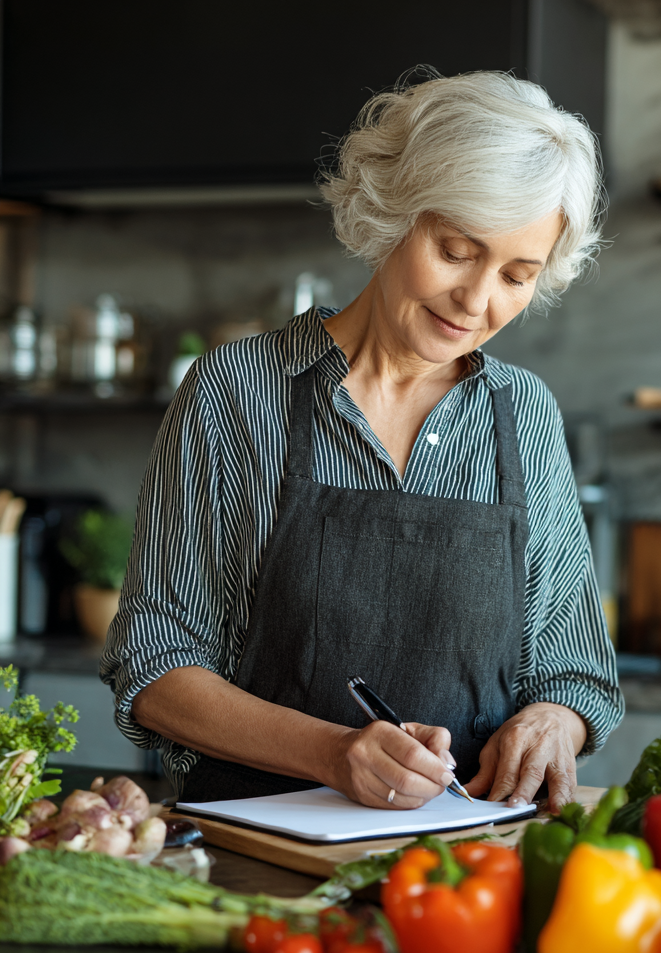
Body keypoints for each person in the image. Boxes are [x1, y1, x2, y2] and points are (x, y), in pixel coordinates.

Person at [101, 70, 623, 812]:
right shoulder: (236, 390)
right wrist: (334, 752)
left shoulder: (524, 413)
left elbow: (573, 674)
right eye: (454, 250)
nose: (477, 302)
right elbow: (152, 666)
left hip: (461, 863)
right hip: (260, 857)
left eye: (516, 275)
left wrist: (552, 723)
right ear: (393, 212)